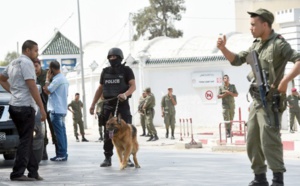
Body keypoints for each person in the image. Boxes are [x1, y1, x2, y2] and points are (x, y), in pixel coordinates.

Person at [217, 8, 300, 186]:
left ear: (265, 25)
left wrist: (285, 81)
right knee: (252, 141)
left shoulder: (279, 44)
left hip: (271, 101)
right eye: (250, 25)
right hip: (256, 101)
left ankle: (278, 179)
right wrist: (223, 49)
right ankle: (260, 178)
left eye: (254, 25)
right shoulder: (256, 45)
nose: (251, 28)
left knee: (270, 141)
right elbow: (237, 60)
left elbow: (299, 60)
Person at [0, 40, 46, 181]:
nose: (37, 53)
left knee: (27, 139)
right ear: (27, 50)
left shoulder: (13, 62)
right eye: (35, 50)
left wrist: (13, 92)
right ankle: (17, 173)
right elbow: (32, 86)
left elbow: (2, 78)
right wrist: (42, 109)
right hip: (25, 107)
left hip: (14, 106)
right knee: (26, 140)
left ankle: (33, 172)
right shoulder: (27, 63)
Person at [89, 47, 136, 167]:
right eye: (110, 57)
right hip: (108, 106)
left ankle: (128, 158)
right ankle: (107, 157)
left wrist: (125, 95)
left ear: (120, 58)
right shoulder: (105, 71)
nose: (112, 59)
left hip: (122, 105)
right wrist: (93, 104)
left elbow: (133, 86)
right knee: (108, 132)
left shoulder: (126, 70)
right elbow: (100, 88)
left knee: (126, 132)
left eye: (114, 57)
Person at [43, 60, 69, 161]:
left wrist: (47, 79)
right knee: (62, 133)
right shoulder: (64, 79)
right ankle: (63, 153)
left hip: (56, 110)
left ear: (52, 69)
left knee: (59, 134)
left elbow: (47, 90)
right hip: (62, 109)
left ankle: (61, 154)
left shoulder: (57, 80)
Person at [33, 58, 57, 160]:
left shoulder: (47, 74)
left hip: (50, 105)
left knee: (54, 129)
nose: (34, 68)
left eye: (36, 66)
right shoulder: (31, 76)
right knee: (42, 130)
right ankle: (44, 152)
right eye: (32, 66)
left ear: (40, 65)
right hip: (39, 107)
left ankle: (59, 150)